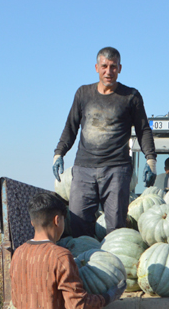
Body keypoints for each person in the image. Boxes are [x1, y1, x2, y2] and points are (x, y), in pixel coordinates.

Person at [53, 46, 156, 238]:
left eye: (113, 67)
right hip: (84, 169)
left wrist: (151, 160)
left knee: (116, 228)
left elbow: (143, 131)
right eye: (104, 66)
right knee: (78, 223)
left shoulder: (131, 96)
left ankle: (113, 264)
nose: (109, 71)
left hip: (117, 170)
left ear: (120, 68)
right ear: (96, 67)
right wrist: (59, 153)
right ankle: (85, 264)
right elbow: (71, 127)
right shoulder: (83, 94)